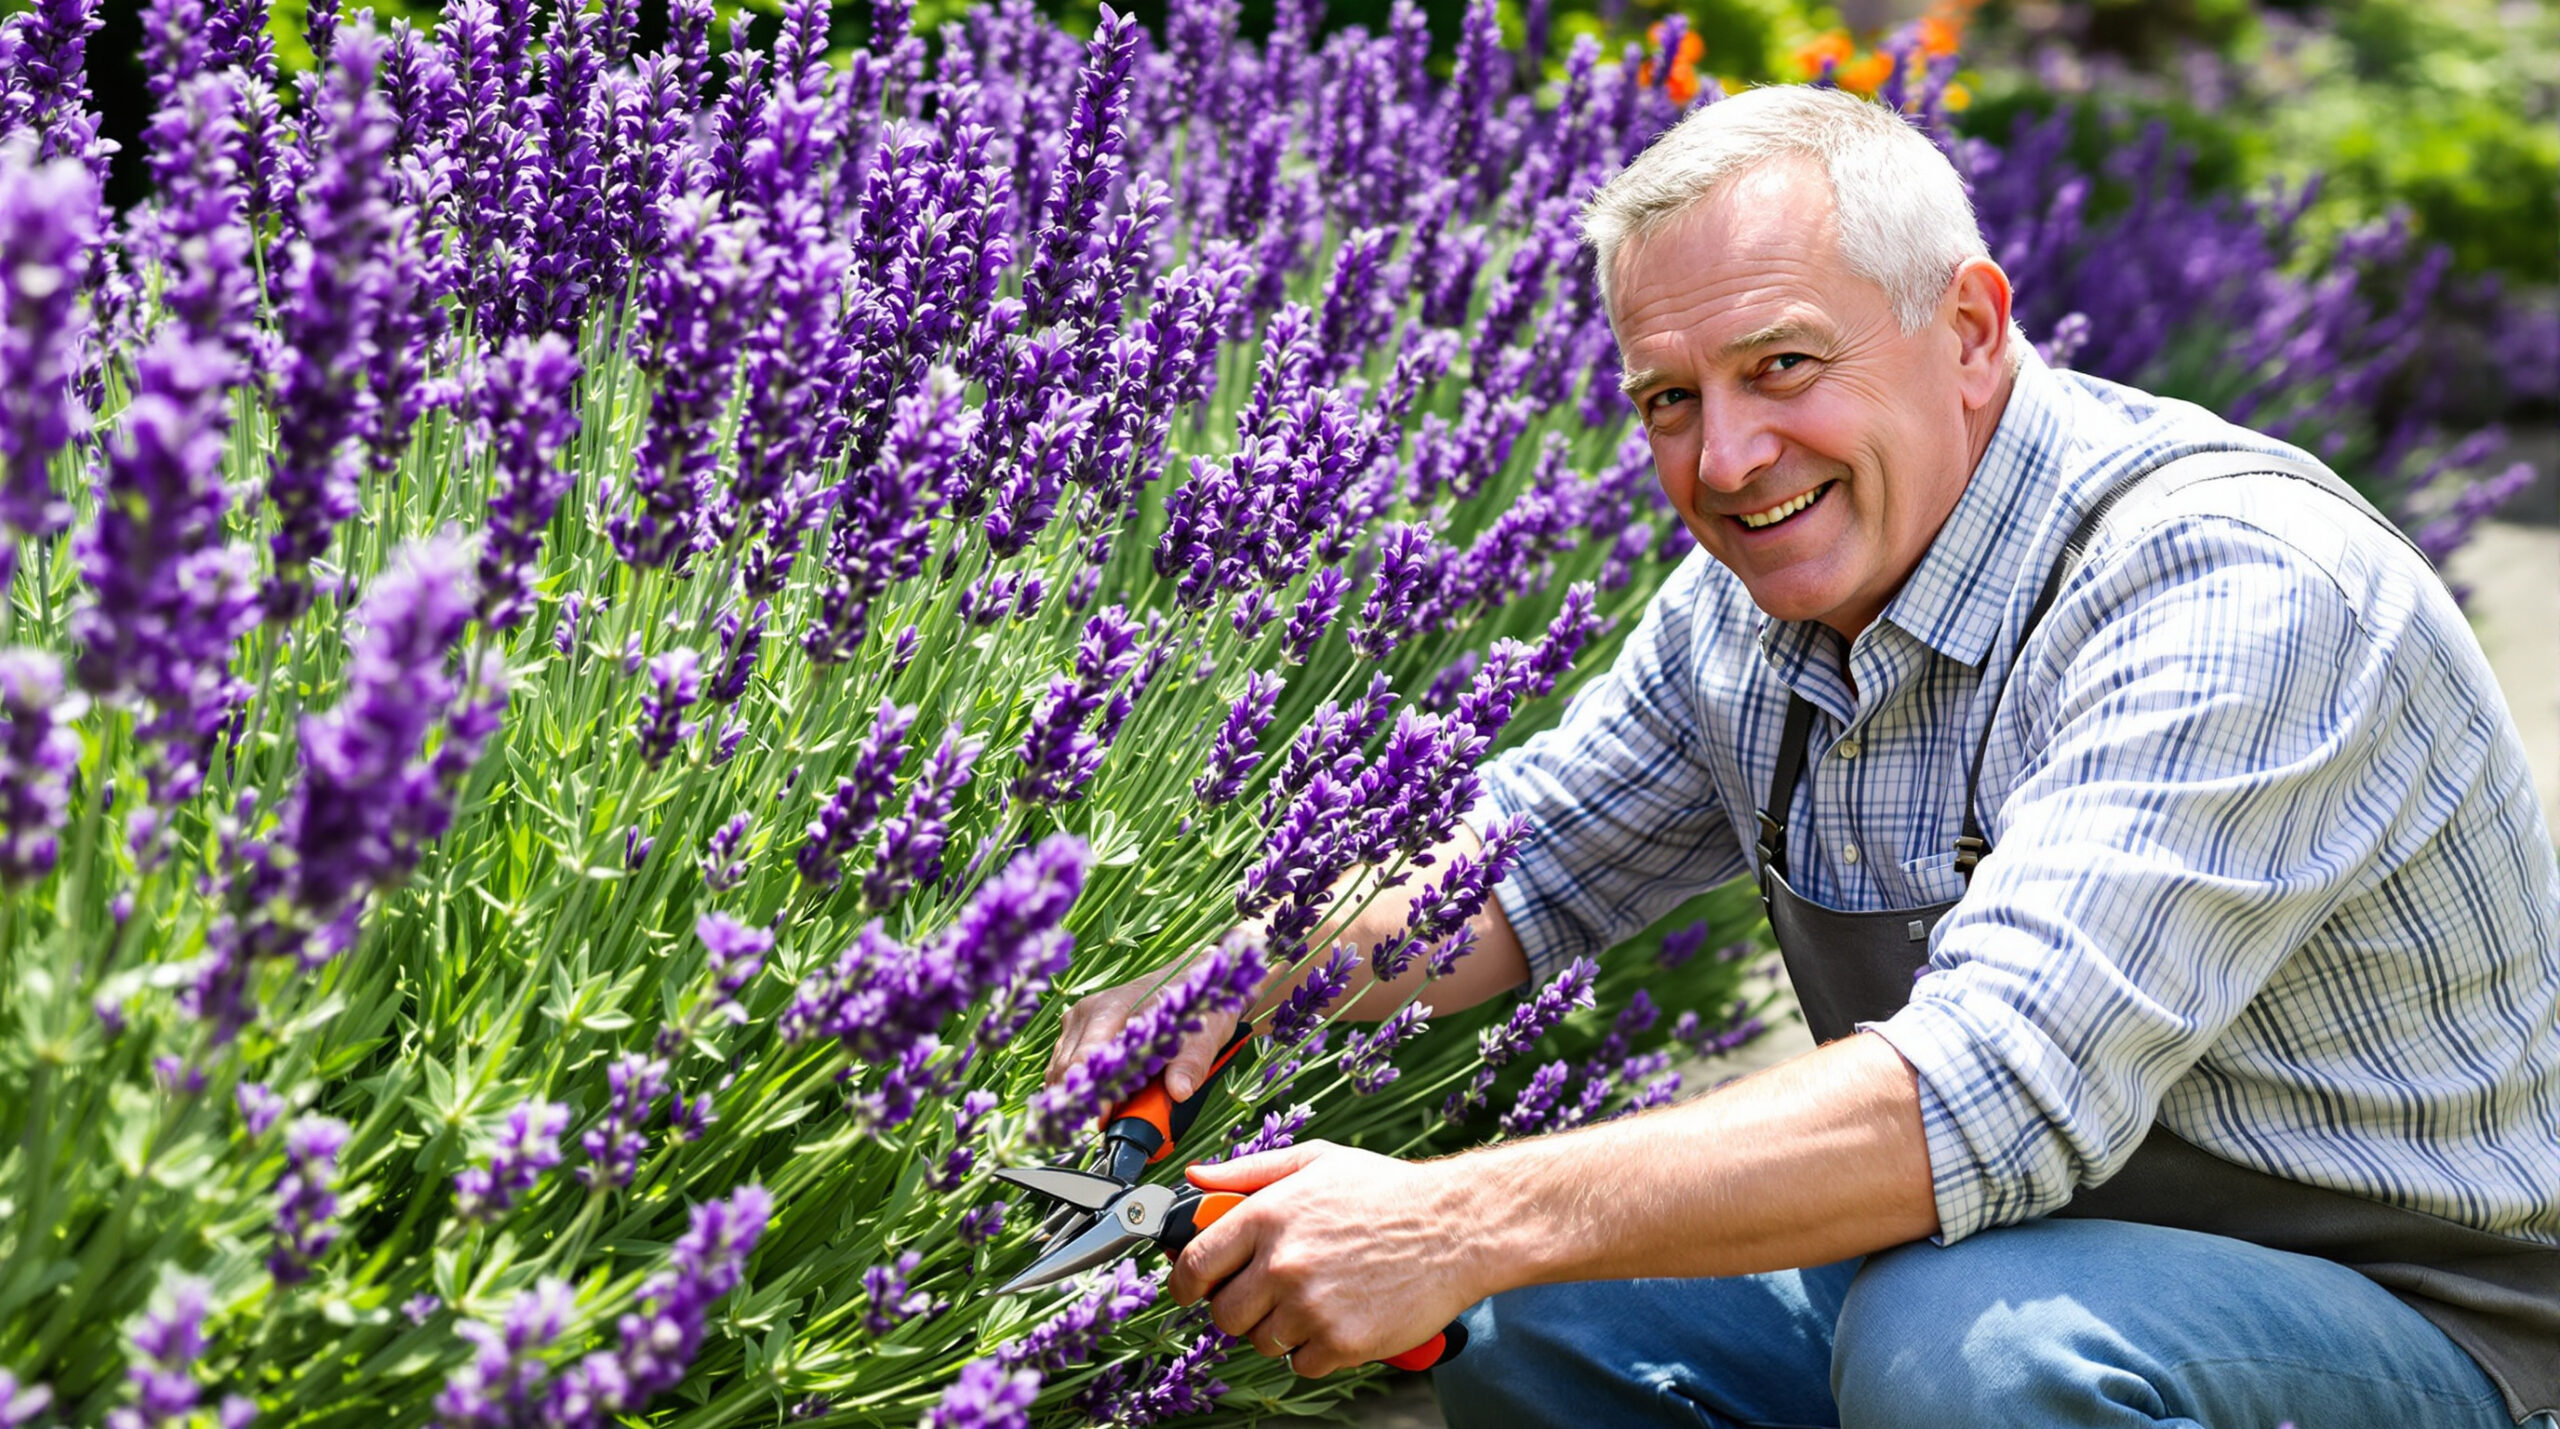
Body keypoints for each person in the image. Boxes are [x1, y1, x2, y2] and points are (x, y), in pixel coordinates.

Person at [1045, 84, 2560, 1428]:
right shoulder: (1757, 604)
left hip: (2428, 1325)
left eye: (1782, 364)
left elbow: (1991, 1089)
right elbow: (1510, 870)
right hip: (2023, 1238)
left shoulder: (2234, 589)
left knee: (1963, 1355)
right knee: (1545, 1324)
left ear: (1970, 330)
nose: (1725, 460)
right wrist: (1216, 984)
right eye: (1669, 400)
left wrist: (1456, 1212)